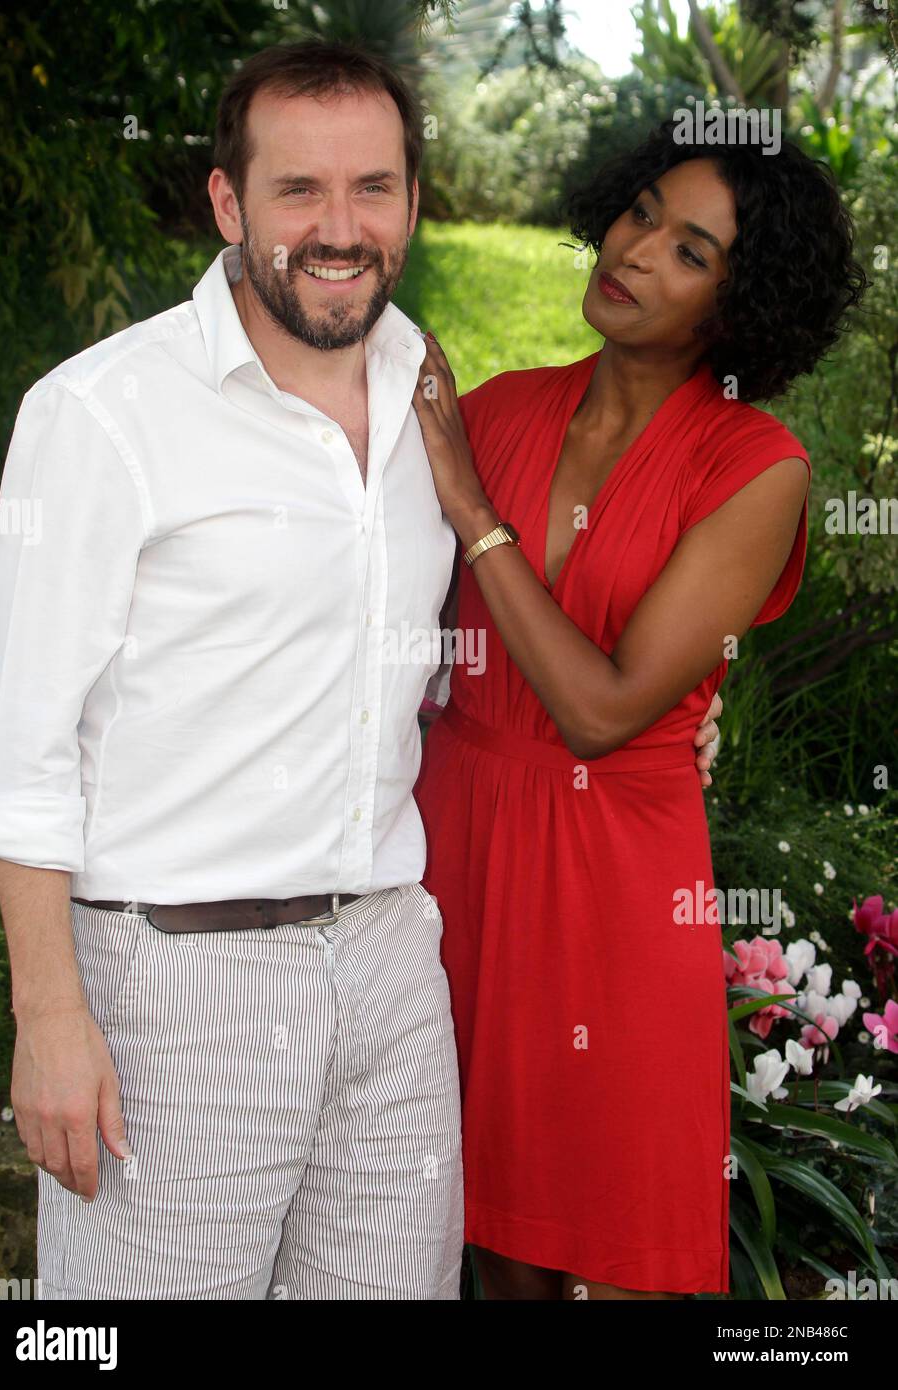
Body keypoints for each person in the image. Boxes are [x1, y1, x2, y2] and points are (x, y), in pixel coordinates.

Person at [0, 40, 720, 1302]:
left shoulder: (427, 388)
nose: (338, 228)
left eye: (371, 188)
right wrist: (48, 1015)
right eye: (297, 190)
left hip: (387, 973)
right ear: (227, 202)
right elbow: (21, 746)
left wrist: (682, 717)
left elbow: (429, 647)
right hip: (174, 985)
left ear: (414, 205)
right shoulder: (102, 414)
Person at [411, 122, 866, 1300]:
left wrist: (469, 506)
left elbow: (603, 713)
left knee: (614, 1243)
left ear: (740, 304)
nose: (635, 250)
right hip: (451, 837)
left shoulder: (752, 468)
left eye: (691, 250)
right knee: (487, 1239)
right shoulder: (498, 408)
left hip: (614, 867)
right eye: (641, 212)